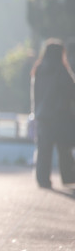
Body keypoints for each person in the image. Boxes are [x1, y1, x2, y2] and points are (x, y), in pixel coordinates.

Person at [30, 38, 75, 188]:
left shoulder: (39, 69)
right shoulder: (61, 70)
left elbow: (35, 93)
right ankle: (68, 177)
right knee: (64, 148)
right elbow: (72, 90)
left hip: (43, 116)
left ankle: (42, 179)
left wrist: (35, 112)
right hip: (60, 116)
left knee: (44, 150)